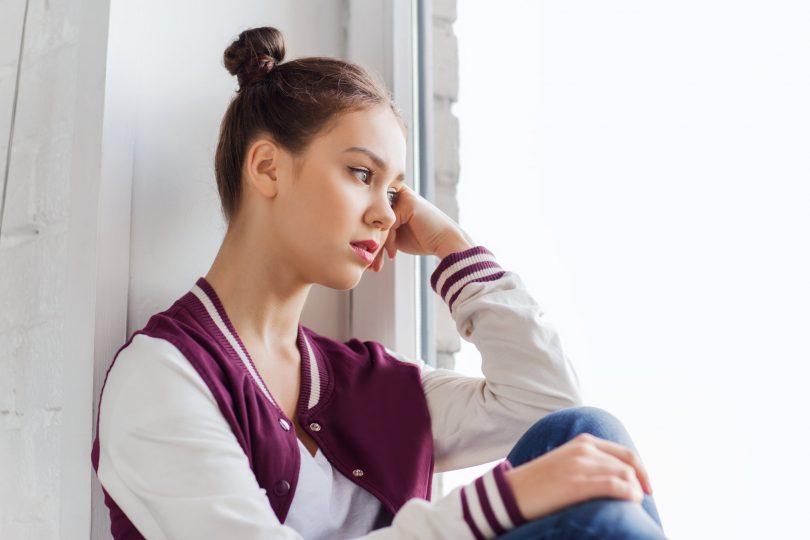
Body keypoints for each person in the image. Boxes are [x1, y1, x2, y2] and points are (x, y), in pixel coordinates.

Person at [90, 26, 667, 539]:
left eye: (394, 193)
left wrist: (451, 246)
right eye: (362, 174)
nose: (387, 214)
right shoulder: (162, 376)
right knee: (602, 519)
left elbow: (546, 400)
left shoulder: (364, 382)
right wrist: (491, 507)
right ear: (267, 167)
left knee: (586, 430)